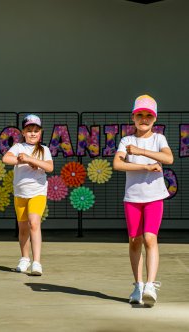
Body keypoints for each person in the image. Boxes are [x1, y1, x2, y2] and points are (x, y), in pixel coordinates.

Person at [113, 95, 174, 307]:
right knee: (134, 241)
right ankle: (138, 285)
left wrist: (141, 152)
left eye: (149, 115)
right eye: (140, 115)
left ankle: (150, 285)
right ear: (133, 117)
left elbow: (168, 158)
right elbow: (117, 164)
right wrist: (145, 166)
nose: (144, 119)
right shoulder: (126, 141)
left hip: (154, 197)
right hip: (132, 198)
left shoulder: (159, 139)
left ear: (154, 119)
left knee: (150, 238)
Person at [2, 114, 53, 275]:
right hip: (20, 193)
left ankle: (37, 262)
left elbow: (49, 167)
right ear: (23, 132)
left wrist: (31, 160)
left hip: (38, 192)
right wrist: (21, 160)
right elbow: (6, 159)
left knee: (34, 223)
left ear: (41, 132)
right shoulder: (18, 147)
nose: (32, 133)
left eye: (36, 130)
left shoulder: (44, 150)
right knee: (23, 228)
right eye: (29, 130)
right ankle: (24, 259)